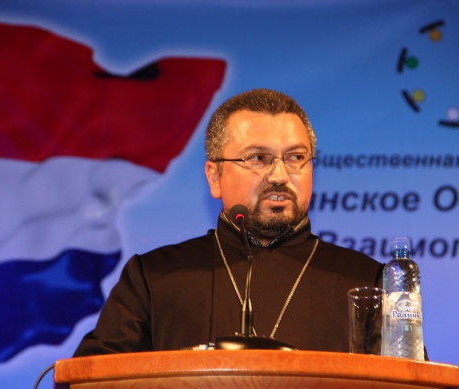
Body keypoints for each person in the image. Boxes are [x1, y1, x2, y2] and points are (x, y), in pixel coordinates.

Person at [72, 88, 384, 356]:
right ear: (214, 176)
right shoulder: (153, 278)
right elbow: (91, 384)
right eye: (258, 158)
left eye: (295, 157)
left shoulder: (367, 283)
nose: (279, 175)